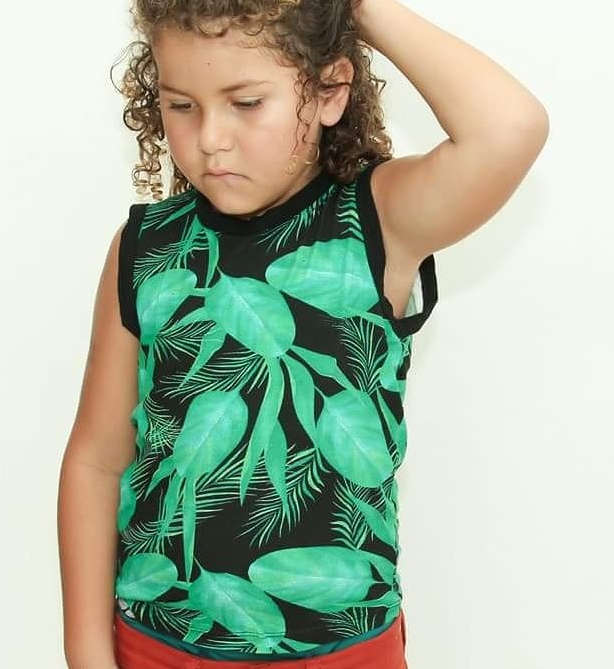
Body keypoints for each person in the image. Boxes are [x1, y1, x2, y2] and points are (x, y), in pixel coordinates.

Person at [57, 1, 549, 668]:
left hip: (342, 651)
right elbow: (96, 460)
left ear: (329, 91)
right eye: (181, 106)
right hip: (156, 644)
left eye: (246, 103)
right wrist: (87, 652)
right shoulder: (146, 247)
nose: (211, 138)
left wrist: (356, 4)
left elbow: (510, 128)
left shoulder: (379, 222)